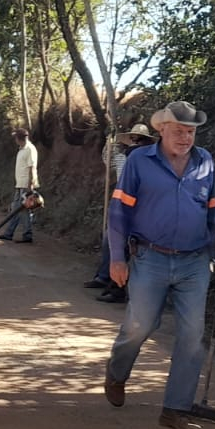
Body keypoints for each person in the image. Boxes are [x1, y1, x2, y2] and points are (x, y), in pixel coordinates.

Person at [102, 101, 215, 429]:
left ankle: (175, 410)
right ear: (161, 129)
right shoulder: (140, 161)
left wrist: (210, 249)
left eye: (191, 131)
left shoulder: (205, 161)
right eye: (179, 130)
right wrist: (117, 257)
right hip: (150, 258)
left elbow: (212, 209)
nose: (186, 137)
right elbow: (119, 212)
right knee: (139, 325)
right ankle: (117, 371)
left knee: (191, 336)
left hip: (194, 261)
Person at [88, 123, 157, 302]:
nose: (135, 142)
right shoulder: (122, 155)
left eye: (139, 139)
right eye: (133, 139)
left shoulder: (149, 159)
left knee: (128, 248)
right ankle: (106, 278)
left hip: (138, 208)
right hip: (122, 202)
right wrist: (108, 142)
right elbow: (107, 159)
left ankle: (119, 288)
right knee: (110, 241)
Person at [0, 128, 39, 242]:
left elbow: (32, 168)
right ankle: (9, 233)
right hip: (20, 184)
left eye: (16, 137)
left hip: (26, 185)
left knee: (24, 210)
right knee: (15, 209)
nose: (15, 140)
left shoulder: (30, 149)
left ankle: (27, 235)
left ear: (19, 138)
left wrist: (31, 185)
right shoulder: (21, 149)